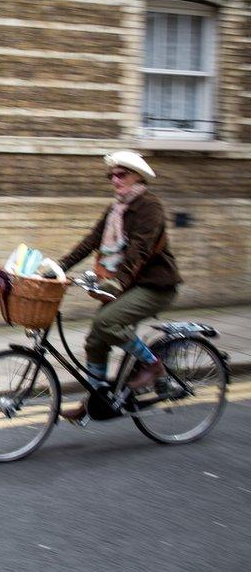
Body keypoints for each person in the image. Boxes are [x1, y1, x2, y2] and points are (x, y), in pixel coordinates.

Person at [56, 151, 182, 423]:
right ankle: (95, 399)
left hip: (155, 286)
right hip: (128, 285)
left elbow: (140, 250)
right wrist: (58, 267)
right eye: (111, 175)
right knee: (95, 340)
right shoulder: (116, 208)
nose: (114, 180)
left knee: (106, 322)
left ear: (138, 176)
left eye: (121, 174)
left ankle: (153, 365)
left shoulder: (150, 206)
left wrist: (116, 282)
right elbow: (91, 240)